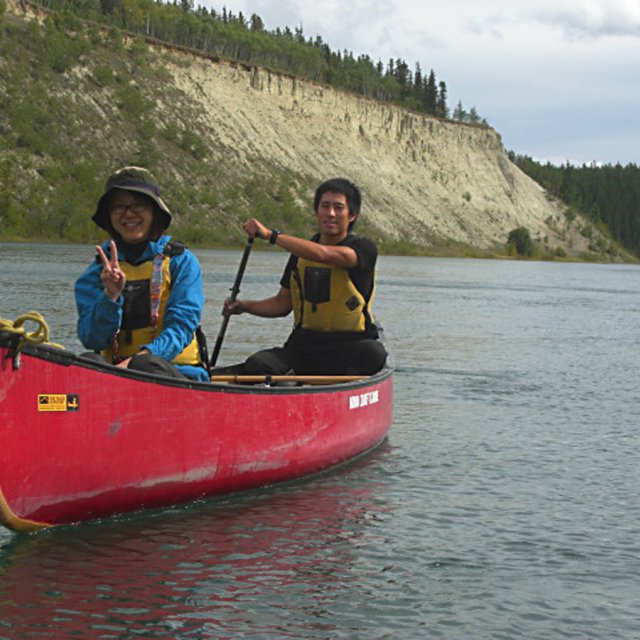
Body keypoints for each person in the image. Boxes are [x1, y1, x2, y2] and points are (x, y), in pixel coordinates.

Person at [223, 177, 387, 376]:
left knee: (374, 354)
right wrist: (243, 306)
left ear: (351, 215)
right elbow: (281, 304)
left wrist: (271, 236)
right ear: (317, 211)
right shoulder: (300, 254)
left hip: (350, 347)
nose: (330, 213)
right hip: (304, 347)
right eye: (324, 206)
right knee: (258, 364)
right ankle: (290, 384)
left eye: (338, 207)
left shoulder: (364, 249)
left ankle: (339, 384)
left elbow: (324, 254)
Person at [75, 166, 209, 382]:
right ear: (109, 216)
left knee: (144, 365)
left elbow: (181, 328)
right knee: (87, 360)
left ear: (154, 212)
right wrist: (110, 297)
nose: (128, 213)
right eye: (118, 207)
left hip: (176, 374)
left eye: (139, 205)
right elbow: (93, 340)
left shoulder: (181, 262)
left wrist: (136, 362)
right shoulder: (98, 272)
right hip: (117, 376)